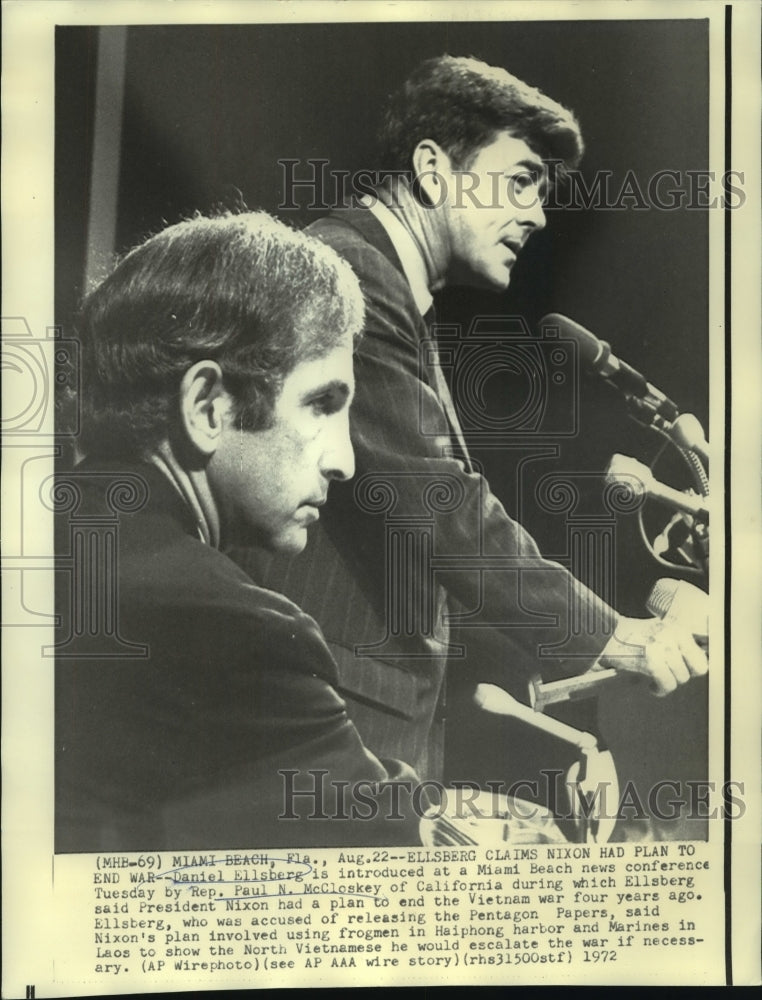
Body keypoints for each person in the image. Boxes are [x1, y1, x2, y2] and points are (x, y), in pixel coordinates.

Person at [233, 55, 708, 788]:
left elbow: (416, 547)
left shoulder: (387, 288)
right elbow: (440, 507)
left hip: (355, 715)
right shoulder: (348, 276)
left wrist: (572, 690)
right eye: (520, 180)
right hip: (325, 718)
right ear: (432, 169)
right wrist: (613, 636)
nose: (538, 214)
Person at [54, 211, 425, 852]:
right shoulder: (232, 629)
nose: (344, 460)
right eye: (322, 403)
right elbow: (390, 857)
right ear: (208, 407)